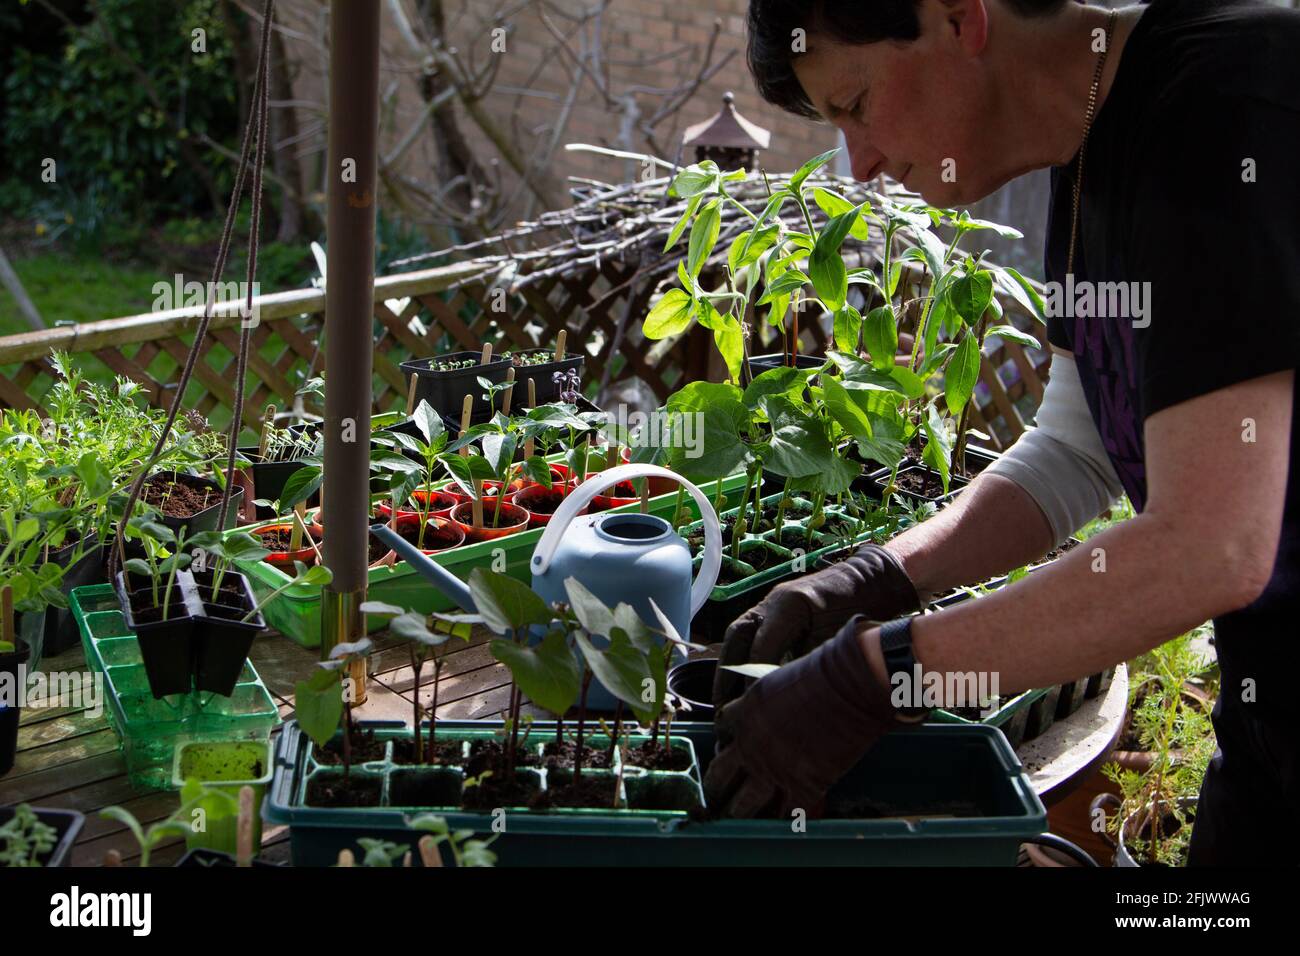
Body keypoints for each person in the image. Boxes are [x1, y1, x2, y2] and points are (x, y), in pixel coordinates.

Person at [706, 0, 1300, 865]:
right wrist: (880, 577)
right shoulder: (1090, 151)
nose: (859, 164)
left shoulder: (1231, 96)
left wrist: (875, 677)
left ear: (958, 16)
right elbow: (1076, 448)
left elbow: (1211, 546)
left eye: (857, 105)